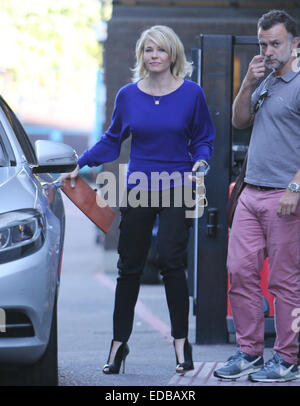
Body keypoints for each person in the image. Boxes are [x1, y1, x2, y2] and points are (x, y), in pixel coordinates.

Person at [59, 25, 215, 374]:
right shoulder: (129, 95)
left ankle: (180, 343)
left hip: (177, 184)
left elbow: (204, 138)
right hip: (139, 187)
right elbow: (112, 140)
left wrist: (200, 162)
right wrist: (79, 164)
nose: (154, 56)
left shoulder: (192, 94)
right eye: (148, 50)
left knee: (172, 263)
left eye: (160, 50)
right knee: (128, 267)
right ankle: (118, 344)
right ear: (141, 56)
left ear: (173, 54)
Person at [214, 10, 300, 382]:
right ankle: (249, 352)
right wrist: (247, 83)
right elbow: (238, 121)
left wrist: (296, 187)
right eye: (263, 44)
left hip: (286, 196)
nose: (267, 51)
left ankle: (287, 358)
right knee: (239, 272)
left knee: (284, 281)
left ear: (295, 44)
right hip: (251, 192)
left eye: (275, 43)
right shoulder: (263, 80)